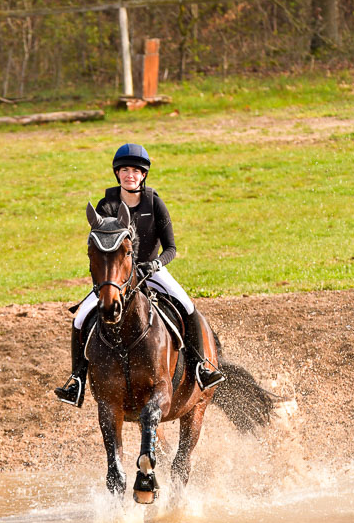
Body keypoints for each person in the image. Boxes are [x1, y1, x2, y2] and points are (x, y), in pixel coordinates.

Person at [54, 142, 225, 407]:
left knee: (189, 307)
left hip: (150, 270)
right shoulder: (106, 205)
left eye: (135, 170)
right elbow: (100, 244)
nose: (129, 175)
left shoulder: (155, 203)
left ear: (143, 175)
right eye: (124, 170)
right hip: (118, 274)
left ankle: (201, 366)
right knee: (80, 320)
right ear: (118, 174)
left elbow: (171, 248)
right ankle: (76, 380)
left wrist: (156, 264)